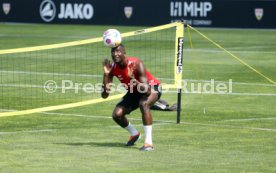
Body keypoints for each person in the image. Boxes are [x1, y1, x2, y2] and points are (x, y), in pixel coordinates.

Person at [101, 44, 161, 151]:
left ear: (124, 53)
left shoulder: (137, 63)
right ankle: (134, 134)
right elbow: (105, 95)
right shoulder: (113, 68)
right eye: (113, 52)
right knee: (117, 115)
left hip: (152, 87)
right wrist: (106, 75)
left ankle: (148, 143)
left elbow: (147, 91)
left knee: (144, 104)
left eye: (118, 51)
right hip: (134, 91)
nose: (115, 54)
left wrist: (132, 78)